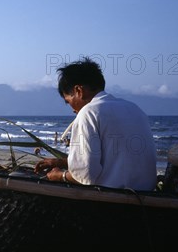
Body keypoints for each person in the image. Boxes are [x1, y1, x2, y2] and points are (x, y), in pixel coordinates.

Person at [35, 58, 157, 191]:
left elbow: (85, 176)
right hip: (146, 194)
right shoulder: (135, 109)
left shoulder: (88, 112)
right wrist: (61, 162)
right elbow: (113, 161)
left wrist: (59, 176)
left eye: (68, 101)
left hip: (111, 198)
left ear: (78, 91)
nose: (72, 109)